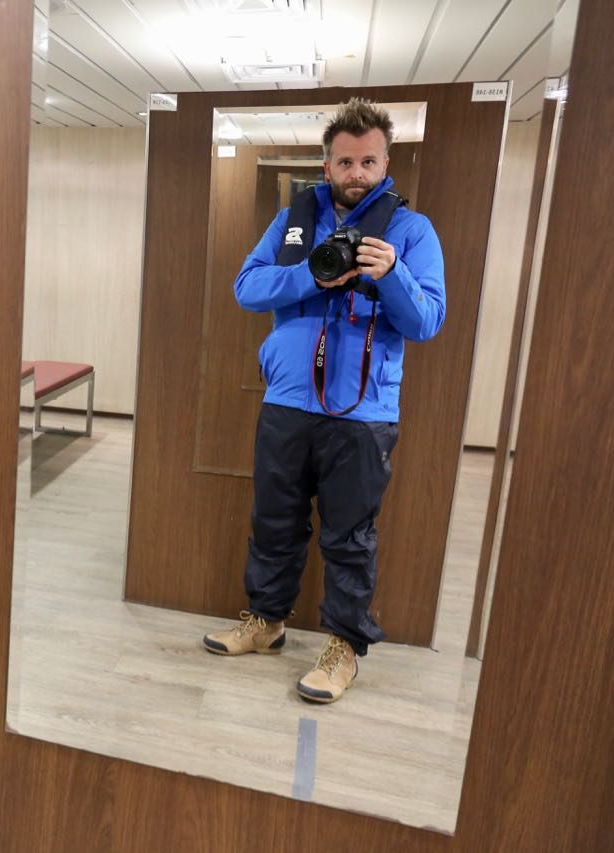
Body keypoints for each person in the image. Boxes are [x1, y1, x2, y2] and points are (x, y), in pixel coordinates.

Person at [202, 98, 446, 704]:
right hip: (286, 402)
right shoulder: (293, 222)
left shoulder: (411, 232)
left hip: (362, 415)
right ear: (327, 163)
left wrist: (391, 274)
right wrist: (311, 274)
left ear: (386, 161)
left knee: (349, 536)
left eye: (368, 161)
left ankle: (343, 648)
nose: (356, 172)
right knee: (274, 521)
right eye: (344, 161)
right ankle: (266, 622)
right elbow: (247, 288)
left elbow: (427, 322)